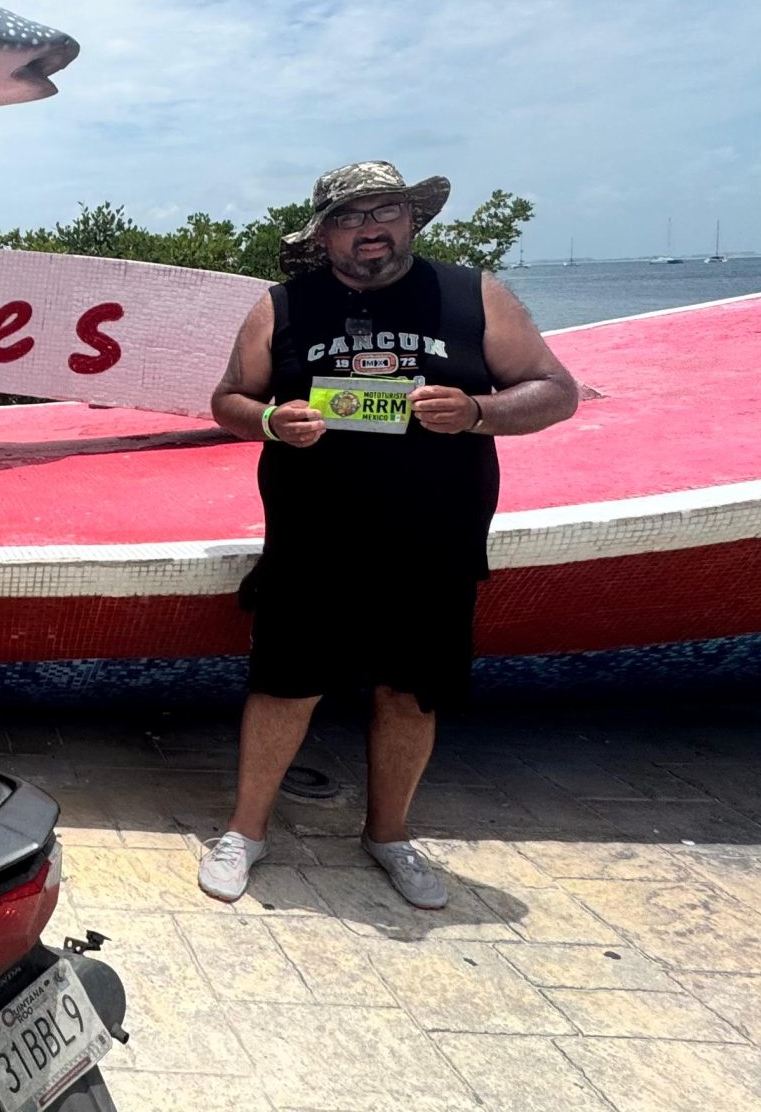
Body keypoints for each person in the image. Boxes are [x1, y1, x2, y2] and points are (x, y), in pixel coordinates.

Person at [197, 162, 576, 909]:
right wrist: (271, 421)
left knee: (412, 693)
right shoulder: (283, 306)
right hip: (313, 539)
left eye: (387, 211)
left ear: (412, 220)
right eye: (350, 215)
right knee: (284, 686)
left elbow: (555, 390)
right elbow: (229, 399)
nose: (370, 227)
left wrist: (476, 413)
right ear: (324, 232)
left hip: (434, 540)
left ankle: (389, 835)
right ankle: (246, 831)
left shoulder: (474, 296)